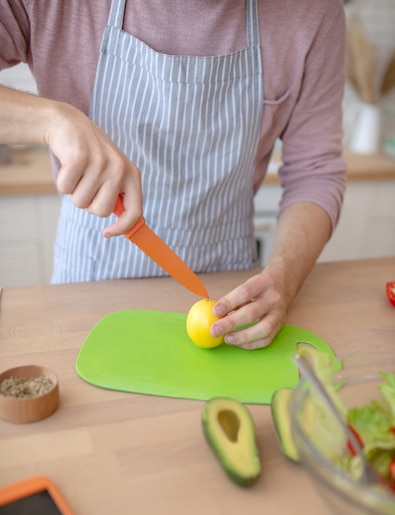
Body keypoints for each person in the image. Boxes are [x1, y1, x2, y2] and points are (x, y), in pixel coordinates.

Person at [0, 0, 346, 350]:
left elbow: (315, 173)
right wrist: (51, 119)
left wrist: (283, 278)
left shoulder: (313, 11)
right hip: (89, 285)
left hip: (230, 291)